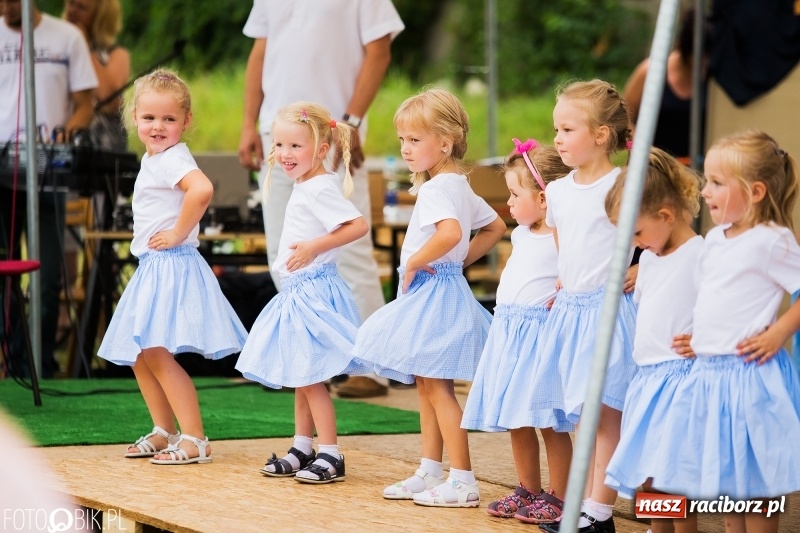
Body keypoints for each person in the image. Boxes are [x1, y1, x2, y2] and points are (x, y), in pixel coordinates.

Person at [237, 0, 405, 399]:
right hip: (277, 132)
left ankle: (370, 366)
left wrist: (353, 122)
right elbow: (260, 51)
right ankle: (309, 360)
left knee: (351, 250)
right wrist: (248, 124)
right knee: (283, 251)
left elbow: (379, 51)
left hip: (331, 133)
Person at [353, 88, 506, 507]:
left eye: (415, 140)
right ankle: (430, 469)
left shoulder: (438, 188)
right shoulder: (457, 184)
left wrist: (417, 262)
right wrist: (460, 262)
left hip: (433, 293)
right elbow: (494, 227)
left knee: (437, 388)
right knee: (426, 383)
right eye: (402, 139)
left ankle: (463, 480)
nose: (405, 148)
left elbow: (451, 233)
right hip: (443, 286)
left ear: (446, 142)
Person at [652, 130, 800, 533]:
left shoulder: (772, 241)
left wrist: (779, 333)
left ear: (755, 192)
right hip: (710, 375)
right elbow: (715, 298)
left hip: (750, 375)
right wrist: (700, 339)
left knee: (755, 480)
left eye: (717, 183)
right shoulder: (715, 239)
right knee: (726, 477)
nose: (705, 191)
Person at [97, 68, 247, 464]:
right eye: (149, 117)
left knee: (157, 353)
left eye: (169, 118)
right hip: (154, 265)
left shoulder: (172, 159)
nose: (158, 126)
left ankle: (195, 438)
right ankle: (165, 429)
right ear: (134, 118)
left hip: (170, 265)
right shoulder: (155, 159)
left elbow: (202, 189)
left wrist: (179, 232)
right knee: (141, 354)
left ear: (186, 120)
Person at [235, 102, 371, 484]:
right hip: (300, 289)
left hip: (312, 290)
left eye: (296, 145)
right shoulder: (307, 184)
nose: (285, 153)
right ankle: (302, 446)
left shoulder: (319, 188)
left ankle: (331, 453)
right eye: (279, 145)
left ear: (322, 149)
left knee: (311, 377)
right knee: (301, 371)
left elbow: (357, 225)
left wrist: (314, 247)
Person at [531, 79, 637, 533]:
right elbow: (564, 242)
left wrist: (640, 267)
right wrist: (565, 277)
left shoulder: (622, 185)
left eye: (567, 129)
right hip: (571, 312)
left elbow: (656, 234)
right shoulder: (557, 191)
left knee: (606, 416)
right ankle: (586, 506)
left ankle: (599, 513)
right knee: (580, 417)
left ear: (601, 135)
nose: (557, 138)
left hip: (607, 313)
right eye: (556, 129)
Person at [460, 139, 574, 524]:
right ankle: (528, 487)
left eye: (514, 194)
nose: (507, 203)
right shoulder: (522, 233)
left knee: (548, 420)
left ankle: (561, 495)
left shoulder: (562, 235)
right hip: (509, 331)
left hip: (540, 336)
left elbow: (578, 275)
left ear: (544, 199)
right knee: (516, 416)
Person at [603, 147, 703, 533]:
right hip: (646, 378)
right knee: (648, 470)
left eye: (637, 233)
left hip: (681, 380)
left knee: (673, 474)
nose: (635, 244)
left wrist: (705, 338)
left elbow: (721, 309)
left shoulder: (699, 255)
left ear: (665, 215)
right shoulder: (646, 260)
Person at [0, 0, 97, 378]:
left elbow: (85, 104)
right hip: (1, 164)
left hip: (47, 169)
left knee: (49, 272)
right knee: (4, 267)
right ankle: (12, 358)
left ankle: (36, 364)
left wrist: (63, 137)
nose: (5, 7)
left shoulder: (67, 37)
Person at [623, 7, 707, 164]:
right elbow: (623, 119)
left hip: (697, 168)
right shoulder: (649, 72)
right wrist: (635, 149)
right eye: (700, 57)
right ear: (683, 48)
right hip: (653, 167)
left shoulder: (713, 80)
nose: (705, 63)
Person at [63, 0, 130, 151]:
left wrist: (82, 44)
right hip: (62, 140)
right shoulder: (56, 49)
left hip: (102, 147)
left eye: (81, 7)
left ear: (100, 16)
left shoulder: (116, 54)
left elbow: (109, 98)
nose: (72, 11)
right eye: (71, 4)